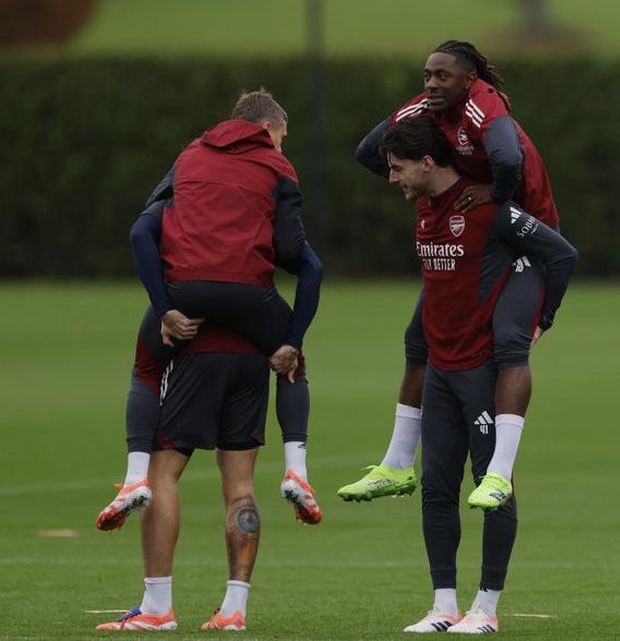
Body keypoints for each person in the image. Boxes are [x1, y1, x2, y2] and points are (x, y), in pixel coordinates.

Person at [378, 117, 577, 634]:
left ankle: (486, 608)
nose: (391, 178)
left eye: (398, 168)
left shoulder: (488, 208)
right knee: (436, 490)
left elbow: (561, 253)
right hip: (441, 370)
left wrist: (542, 318)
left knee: (493, 486)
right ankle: (443, 606)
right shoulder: (425, 206)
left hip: (484, 370)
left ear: (427, 163)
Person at [340, 40, 559, 502]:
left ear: (469, 80)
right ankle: (397, 464)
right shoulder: (427, 107)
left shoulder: (484, 104)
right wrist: (419, 184)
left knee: (509, 342)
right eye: (427, 75)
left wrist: (492, 195)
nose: (432, 84)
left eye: (442, 76)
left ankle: (498, 474)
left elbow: (508, 159)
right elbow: (368, 151)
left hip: (523, 235)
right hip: (477, 235)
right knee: (417, 337)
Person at [96, 90, 324, 531]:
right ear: (266, 129)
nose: (282, 146)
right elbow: (296, 253)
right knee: (293, 363)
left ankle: (134, 476)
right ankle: (297, 469)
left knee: (146, 368)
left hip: (187, 293)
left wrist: (165, 308)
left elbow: (141, 231)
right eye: (282, 137)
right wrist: (291, 341)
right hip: (250, 297)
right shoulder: (276, 165)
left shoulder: (190, 156)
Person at [96, 325, 269, 632]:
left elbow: (175, 305)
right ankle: (234, 610)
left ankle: (157, 608)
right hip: (251, 358)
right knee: (241, 483)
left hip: (197, 355)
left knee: (160, 474)